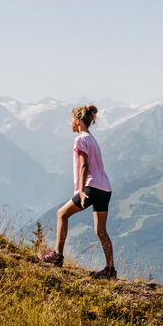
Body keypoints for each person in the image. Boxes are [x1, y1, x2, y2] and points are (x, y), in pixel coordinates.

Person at [38, 105, 116, 279]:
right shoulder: (92, 139)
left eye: (71, 119)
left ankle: (57, 256)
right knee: (101, 230)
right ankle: (110, 270)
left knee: (61, 214)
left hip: (91, 186)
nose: (69, 122)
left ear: (78, 121)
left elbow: (84, 165)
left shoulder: (80, 140)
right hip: (105, 188)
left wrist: (81, 191)